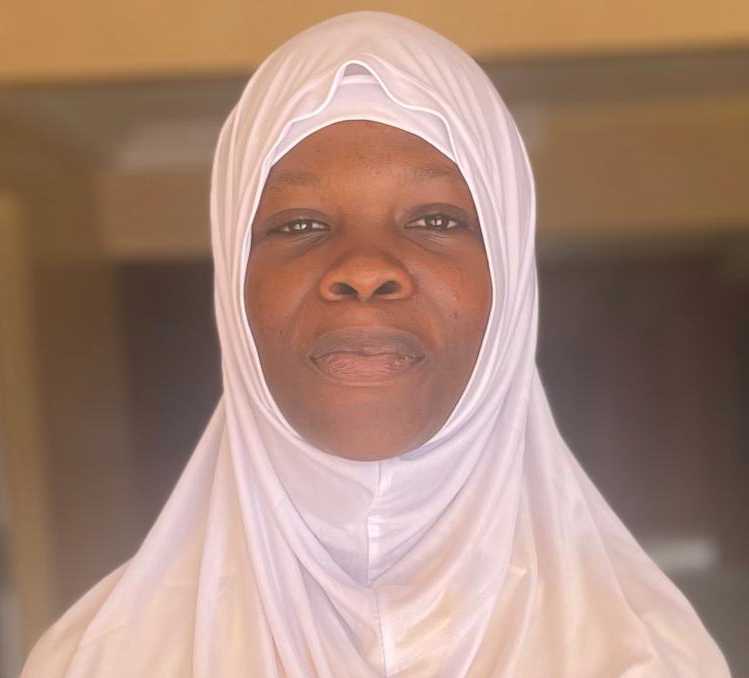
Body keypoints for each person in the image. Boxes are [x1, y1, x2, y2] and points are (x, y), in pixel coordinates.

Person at [22, 11, 730, 677]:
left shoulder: (649, 660)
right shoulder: (98, 661)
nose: (364, 270)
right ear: (232, 283)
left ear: (511, 280)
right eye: (298, 225)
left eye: (435, 220)